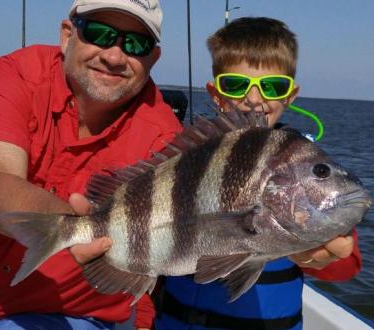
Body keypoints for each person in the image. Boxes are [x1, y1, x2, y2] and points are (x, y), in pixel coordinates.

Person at [0, 0, 182, 329]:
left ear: (153, 58)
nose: (114, 56)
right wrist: (68, 228)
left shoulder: (166, 140)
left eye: (136, 44)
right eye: (100, 33)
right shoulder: (8, 78)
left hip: (72, 316)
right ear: (67, 35)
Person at [154, 17, 362, 330]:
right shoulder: (183, 161)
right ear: (215, 92)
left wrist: (325, 258)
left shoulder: (302, 172)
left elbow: (347, 262)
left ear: (291, 94)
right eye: (235, 85)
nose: (254, 99)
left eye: (273, 87)